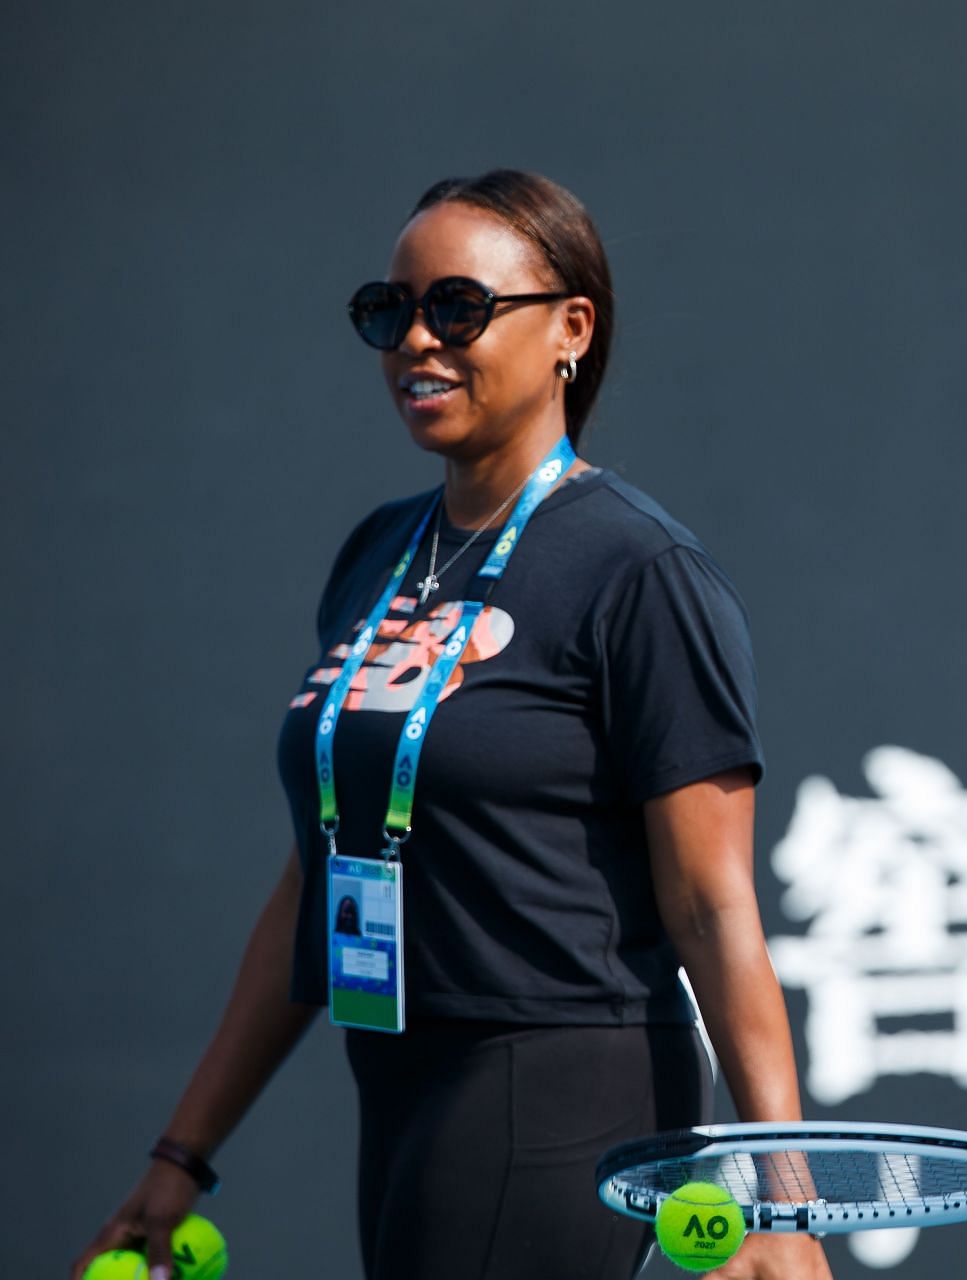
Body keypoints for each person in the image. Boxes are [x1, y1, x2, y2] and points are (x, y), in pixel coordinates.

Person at [74, 170, 831, 1280]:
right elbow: (319, 878)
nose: (416, 340)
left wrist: (787, 1198)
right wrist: (185, 1150)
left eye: (459, 308)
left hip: (564, 1075)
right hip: (399, 1078)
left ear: (571, 326)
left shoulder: (640, 568)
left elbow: (713, 906)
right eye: (391, 310)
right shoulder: (376, 553)